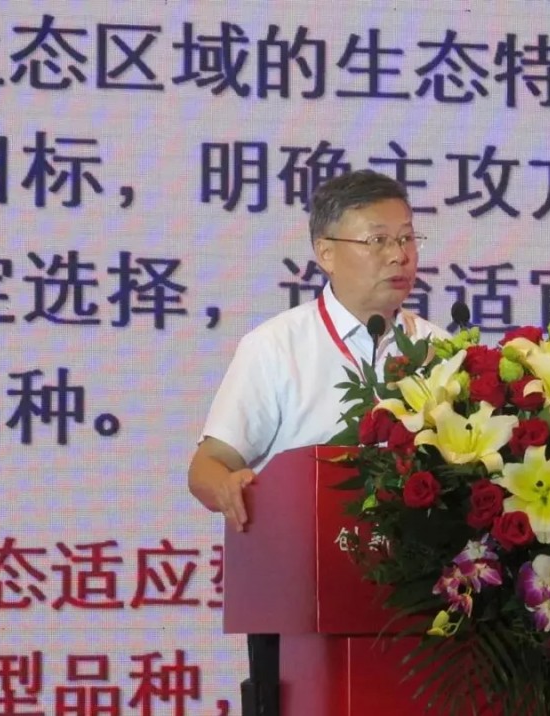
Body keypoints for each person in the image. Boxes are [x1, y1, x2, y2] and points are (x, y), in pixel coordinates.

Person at [187, 169, 448, 716]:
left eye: (407, 238)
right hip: (301, 610)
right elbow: (209, 463)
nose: (399, 255)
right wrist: (229, 487)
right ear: (326, 252)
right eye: (378, 240)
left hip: (429, 609)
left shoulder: (442, 350)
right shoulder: (276, 347)